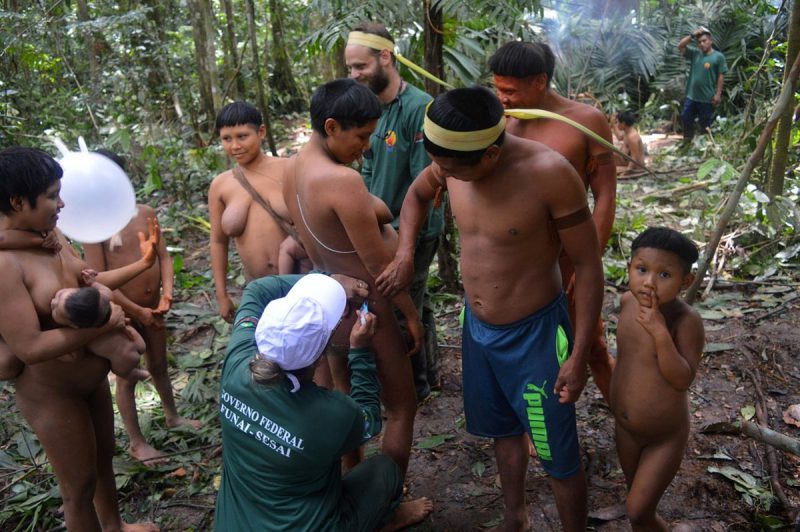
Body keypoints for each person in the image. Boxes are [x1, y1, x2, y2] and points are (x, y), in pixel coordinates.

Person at [377, 87, 604, 532]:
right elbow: (417, 196)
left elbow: (588, 265)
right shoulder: (451, 164)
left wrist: (578, 356)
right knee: (503, 430)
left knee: (557, 452)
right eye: (441, 166)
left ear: (492, 154)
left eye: (454, 170)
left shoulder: (549, 173)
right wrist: (405, 252)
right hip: (478, 329)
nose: (444, 175)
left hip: (536, 336)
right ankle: (515, 518)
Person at [0, 146, 158, 531]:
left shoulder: (48, 236)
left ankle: (115, 527)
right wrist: (103, 326)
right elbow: (30, 348)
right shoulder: (6, 265)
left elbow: (90, 280)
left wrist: (143, 264)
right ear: (18, 201)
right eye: (52, 196)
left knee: (103, 460)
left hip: (90, 381)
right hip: (53, 392)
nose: (62, 203)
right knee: (79, 487)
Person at [214, 272, 432, 531]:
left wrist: (332, 281)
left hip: (234, 525)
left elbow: (258, 289)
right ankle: (383, 520)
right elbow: (369, 420)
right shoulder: (329, 414)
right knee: (384, 472)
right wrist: (361, 352)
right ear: (319, 356)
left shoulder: (237, 365)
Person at [283, 78, 423, 475]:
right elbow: (380, 266)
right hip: (369, 310)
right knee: (400, 408)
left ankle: (351, 489)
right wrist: (410, 315)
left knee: (346, 403)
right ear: (331, 127)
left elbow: (307, 238)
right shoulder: (342, 181)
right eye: (361, 137)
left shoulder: (292, 170)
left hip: (331, 306)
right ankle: (387, 503)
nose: (366, 147)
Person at [489, 41, 616, 404]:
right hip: (520, 265)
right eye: (497, 88)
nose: (503, 97)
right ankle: (538, 425)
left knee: (590, 345)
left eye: (510, 90)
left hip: (568, 256)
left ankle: (629, 419)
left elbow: (604, 197)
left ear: (540, 81)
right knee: (531, 351)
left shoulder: (586, 121)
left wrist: (585, 262)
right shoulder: (502, 121)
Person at [345, 23, 443, 401]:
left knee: (400, 309)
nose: (354, 75)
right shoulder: (370, 109)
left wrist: (404, 241)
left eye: (360, 67)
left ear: (385, 57)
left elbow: (428, 182)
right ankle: (430, 375)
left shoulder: (418, 107)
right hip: (381, 230)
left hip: (411, 233)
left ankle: (411, 393)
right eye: (350, 68)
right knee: (416, 299)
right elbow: (368, 170)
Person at [84, 151, 201, 464]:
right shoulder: (94, 229)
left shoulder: (144, 212)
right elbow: (101, 282)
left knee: (159, 364)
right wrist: (136, 311)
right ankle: (137, 442)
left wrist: (167, 295)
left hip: (153, 308)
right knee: (127, 374)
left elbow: (162, 256)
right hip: (123, 314)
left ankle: (172, 415)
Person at [610, 227, 704, 531]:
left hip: (663, 437)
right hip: (625, 429)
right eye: (641, 270)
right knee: (637, 503)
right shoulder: (626, 303)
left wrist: (660, 331)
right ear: (629, 269)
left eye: (664, 275)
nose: (649, 282)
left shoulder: (686, 321)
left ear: (685, 281)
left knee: (637, 510)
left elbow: (681, 380)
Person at [209, 101, 291, 322]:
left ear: (261, 132)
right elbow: (218, 241)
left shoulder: (288, 169)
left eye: (242, 136)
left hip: (299, 279)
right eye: (227, 138)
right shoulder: (220, 185)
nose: (235, 145)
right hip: (258, 288)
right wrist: (222, 294)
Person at [677, 27, 728, 145]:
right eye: (699, 42)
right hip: (691, 95)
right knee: (686, 118)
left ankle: (705, 145)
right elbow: (680, 46)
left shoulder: (718, 57)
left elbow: (721, 76)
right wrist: (692, 35)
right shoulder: (695, 53)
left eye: (704, 41)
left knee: (705, 123)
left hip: (707, 97)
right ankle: (687, 142)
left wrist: (718, 94)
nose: (701, 44)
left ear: (711, 41)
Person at [612, 111, 645, 175]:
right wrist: (613, 123)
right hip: (625, 161)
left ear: (623, 124)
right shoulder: (627, 131)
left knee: (608, 170)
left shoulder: (632, 137)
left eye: (617, 122)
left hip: (635, 167)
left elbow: (634, 158)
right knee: (608, 155)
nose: (617, 124)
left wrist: (625, 172)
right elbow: (619, 137)